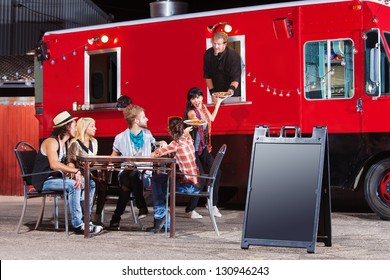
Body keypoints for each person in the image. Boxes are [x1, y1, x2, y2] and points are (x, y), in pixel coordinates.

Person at [31, 111, 103, 235]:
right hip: (44, 181)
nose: (76, 128)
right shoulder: (51, 142)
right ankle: (78, 225)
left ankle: (87, 220)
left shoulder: (65, 143)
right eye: (74, 126)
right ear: (66, 127)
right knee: (72, 186)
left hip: (57, 179)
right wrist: (75, 171)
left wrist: (74, 172)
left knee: (90, 183)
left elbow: (68, 163)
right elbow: (54, 164)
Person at [109, 104, 165, 230]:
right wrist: (111, 164)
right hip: (125, 175)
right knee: (130, 173)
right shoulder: (120, 137)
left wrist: (161, 143)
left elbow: (155, 149)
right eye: (144, 117)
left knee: (126, 186)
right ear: (136, 120)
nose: (147, 119)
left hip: (144, 175)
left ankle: (116, 219)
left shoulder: (147, 135)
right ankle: (142, 206)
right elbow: (113, 157)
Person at [147, 116, 201, 233]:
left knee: (157, 181)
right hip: (196, 184)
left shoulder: (175, 143)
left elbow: (155, 154)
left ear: (169, 130)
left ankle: (160, 220)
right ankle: (162, 220)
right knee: (160, 180)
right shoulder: (188, 140)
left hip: (189, 187)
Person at [184, 87, 223, 219]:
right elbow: (196, 121)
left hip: (203, 147)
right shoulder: (191, 112)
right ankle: (190, 210)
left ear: (202, 97)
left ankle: (212, 204)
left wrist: (217, 103)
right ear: (190, 100)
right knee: (199, 177)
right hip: (192, 149)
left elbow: (211, 118)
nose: (196, 100)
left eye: (198, 97)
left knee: (217, 171)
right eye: (193, 98)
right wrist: (199, 119)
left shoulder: (204, 108)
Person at [67, 117, 104, 225]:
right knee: (90, 183)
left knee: (100, 184)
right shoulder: (75, 143)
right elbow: (71, 161)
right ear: (84, 128)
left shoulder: (94, 142)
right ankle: (85, 218)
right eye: (92, 126)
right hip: (78, 173)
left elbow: (93, 161)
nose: (95, 128)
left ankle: (88, 217)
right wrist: (75, 173)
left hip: (90, 173)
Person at [203, 31, 242, 97]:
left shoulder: (233, 55)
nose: (216, 46)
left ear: (225, 44)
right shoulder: (208, 54)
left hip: (233, 92)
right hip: (216, 92)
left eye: (218, 44)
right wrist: (212, 93)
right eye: (214, 43)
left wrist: (231, 90)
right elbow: (207, 76)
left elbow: (236, 77)